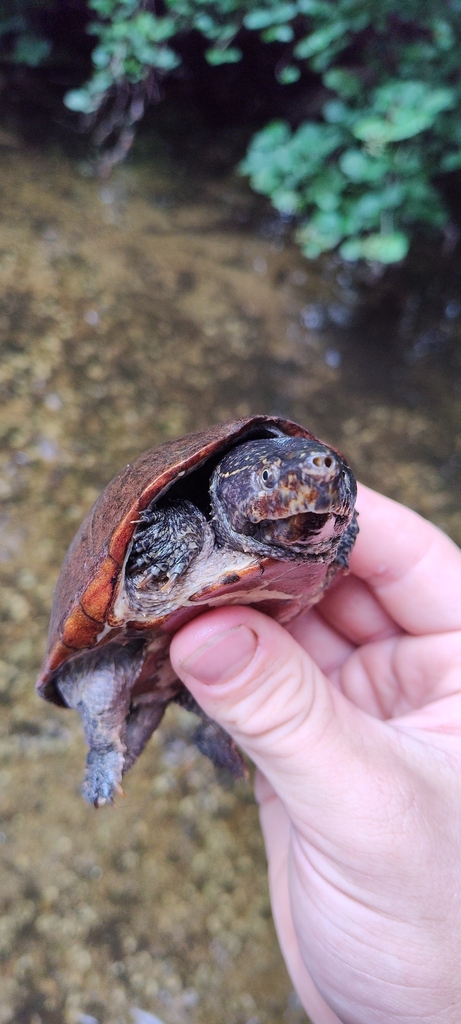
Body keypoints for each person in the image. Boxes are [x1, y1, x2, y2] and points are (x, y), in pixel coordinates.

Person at [169, 483, 461, 1024]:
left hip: (261, 627)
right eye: (279, 480)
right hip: (183, 606)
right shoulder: (189, 520)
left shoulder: (318, 530)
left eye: (326, 480)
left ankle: (210, 733)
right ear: (231, 491)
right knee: (113, 691)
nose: (313, 482)